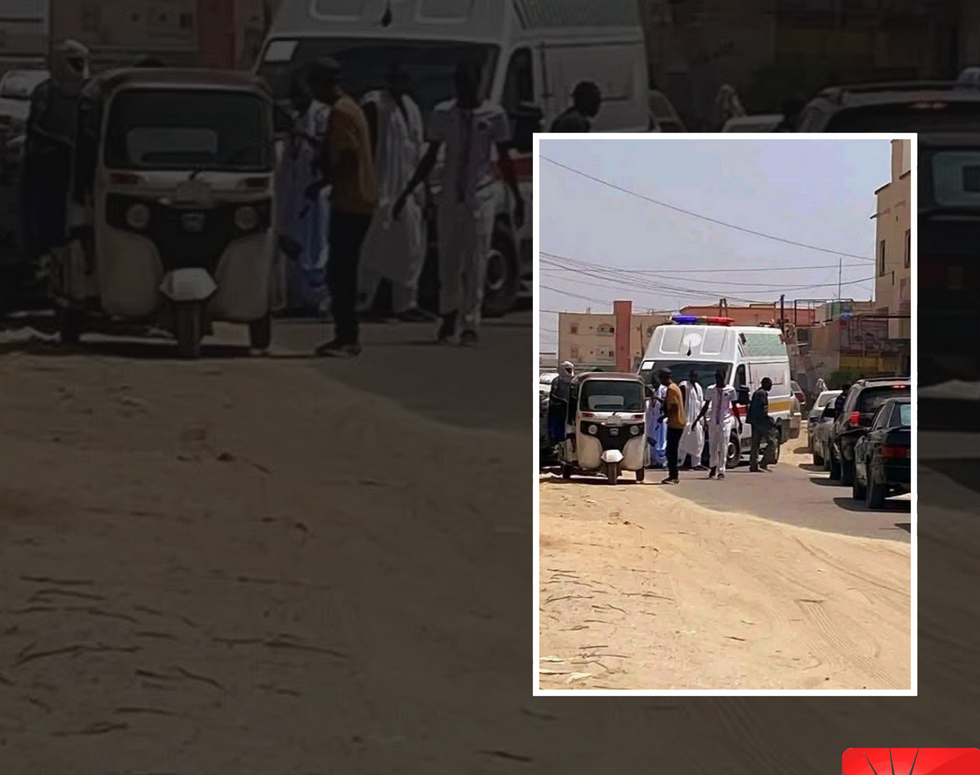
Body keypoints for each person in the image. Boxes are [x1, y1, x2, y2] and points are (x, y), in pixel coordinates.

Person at [393, 62, 525, 346]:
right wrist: (409, 190)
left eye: (467, 82)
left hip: (481, 194)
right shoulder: (444, 113)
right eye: (458, 82)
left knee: (476, 258)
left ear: (477, 82)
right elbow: (431, 155)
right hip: (450, 194)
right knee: (448, 261)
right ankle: (448, 313)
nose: (462, 88)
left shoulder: (493, 114)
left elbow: (503, 156)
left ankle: (471, 323)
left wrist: (517, 195)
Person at [305, 58, 378, 357]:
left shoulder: (342, 112)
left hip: (352, 201)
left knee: (341, 273)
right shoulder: (349, 108)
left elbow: (348, 157)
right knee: (341, 270)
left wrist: (324, 183)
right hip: (355, 199)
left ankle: (347, 336)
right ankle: (345, 334)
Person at [358, 64, 432, 323]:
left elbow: (418, 149)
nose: (400, 84)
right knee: (373, 247)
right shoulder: (374, 103)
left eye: (404, 79)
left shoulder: (411, 107)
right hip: (382, 187)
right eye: (396, 79)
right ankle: (365, 302)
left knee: (411, 247)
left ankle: (406, 304)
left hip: (409, 190)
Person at [22, 39, 90, 264]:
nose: (79, 67)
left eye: (81, 62)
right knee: (46, 209)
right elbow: (35, 127)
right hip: (47, 160)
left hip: (78, 161)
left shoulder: (88, 92)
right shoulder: (45, 91)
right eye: (74, 62)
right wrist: (60, 142)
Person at [277, 65, 330, 316]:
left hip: (316, 189)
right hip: (294, 190)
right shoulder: (296, 117)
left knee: (316, 244)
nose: (297, 98)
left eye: (300, 93)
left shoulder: (321, 114)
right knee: (293, 243)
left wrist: (301, 133)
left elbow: (325, 147)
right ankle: (296, 300)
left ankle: (318, 300)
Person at [692, 369, 742, 480]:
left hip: (725, 421)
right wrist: (698, 419)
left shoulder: (730, 390)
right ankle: (713, 467)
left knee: (723, 446)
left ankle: (721, 471)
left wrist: (739, 421)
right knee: (712, 447)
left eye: (720, 378)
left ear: (724, 378)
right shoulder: (711, 389)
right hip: (713, 421)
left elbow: (734, 406)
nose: (718, 380)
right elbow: (706, 406)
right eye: (716, 378)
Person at [659, 369, 687, 485]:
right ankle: (673, 475)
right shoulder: (675, 387)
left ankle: (673, 475)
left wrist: (667, 415)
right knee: (671, 450)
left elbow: (674, 406)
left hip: (675, 423)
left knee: (671, 451)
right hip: (677, 422)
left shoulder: (671, 389)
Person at [748, 377, 776, 472]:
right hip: (761, 422)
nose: (771, 386)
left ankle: (753, 465)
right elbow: (762, 410)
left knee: (755, 444)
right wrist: (770, 421)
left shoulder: (757, 393)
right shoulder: (762, 394)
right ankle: (763, 462)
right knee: (772, 443)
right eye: (770, 384)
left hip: (754, 421)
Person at [678, 371, 705, 469]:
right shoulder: (684, 385)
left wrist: (703, 419)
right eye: (692, 376)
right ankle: (680, 462)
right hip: (687, 418)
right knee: (683, 441)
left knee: (698, 441)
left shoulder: (699, 387)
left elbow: (701, 404)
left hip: (697, 419)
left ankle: (696, 463)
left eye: (696, 376)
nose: (694, 378)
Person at [547, 362, 574, 446]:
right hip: (557, 408)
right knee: (556, 427)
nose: (569, 371)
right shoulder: (557, 381)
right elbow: (553, 395)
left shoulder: (573, 381)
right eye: (568, 369)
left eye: (570, 369)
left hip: (569, 408)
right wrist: (562, 400)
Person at [646, 379, 667, 469]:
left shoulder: (664, 390)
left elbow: (665, 402)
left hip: (662, 419)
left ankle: (662, 462)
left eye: (655, 383)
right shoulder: (654, 391)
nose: (654, 385)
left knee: (662, 440)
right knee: (653, 439)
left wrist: (656, 398)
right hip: (653, 419)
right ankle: (654, 461)